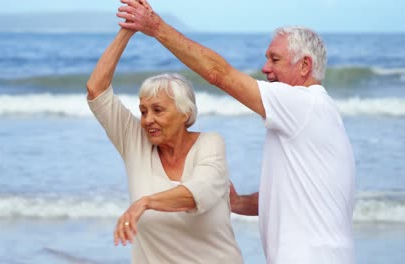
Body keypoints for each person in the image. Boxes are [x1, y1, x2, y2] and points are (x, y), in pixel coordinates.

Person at [117, 1, 356, 263]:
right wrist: (240, 202)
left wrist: (156, 27)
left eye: (274, 59)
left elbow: (219, 74)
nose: (265, 68)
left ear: (304, 66)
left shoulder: (301, 103)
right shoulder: (320, 114)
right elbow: (293, 199)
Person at [85, 26, 243, 263]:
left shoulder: (210, 144)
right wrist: (126, 31)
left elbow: (197, 193)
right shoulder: (135, 141)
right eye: (143, 111)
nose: (148, 120)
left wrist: (145, 203)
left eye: (158, 110)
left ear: (185, 113)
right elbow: (96, 90)